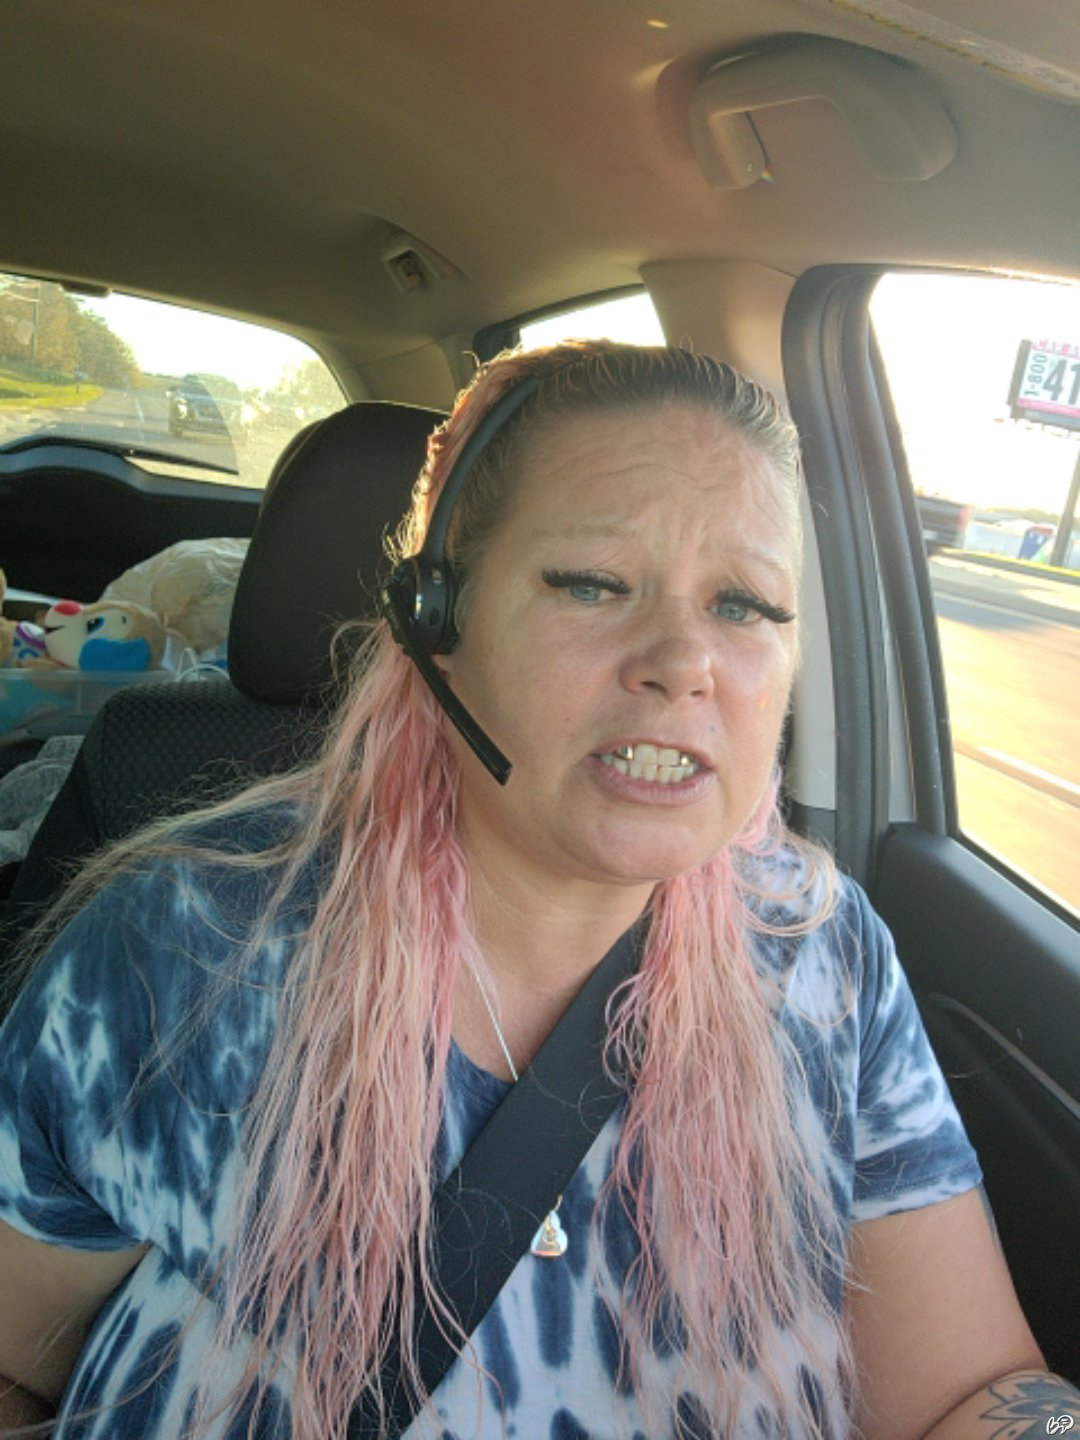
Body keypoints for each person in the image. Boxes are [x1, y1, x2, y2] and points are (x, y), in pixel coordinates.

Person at [0, 341, 1075, 1440]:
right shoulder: (186, 946)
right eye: (593, 584)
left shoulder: (822, 955)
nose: (683, 661)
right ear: (437, 620)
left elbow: (965, 1393)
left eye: (746, 605)